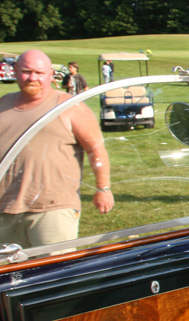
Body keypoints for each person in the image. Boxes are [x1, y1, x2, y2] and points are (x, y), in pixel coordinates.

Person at [0, 50, 114, 248]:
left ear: (50, 74)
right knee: (11, 276)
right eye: (26, 71)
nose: (32, 78)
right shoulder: (3, 105)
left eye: (39, 72)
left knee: (55, 272)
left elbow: (96, 149)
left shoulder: (68, 106)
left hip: (53, 209)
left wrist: (103, 189)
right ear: (16, 72)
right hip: (5, 209)